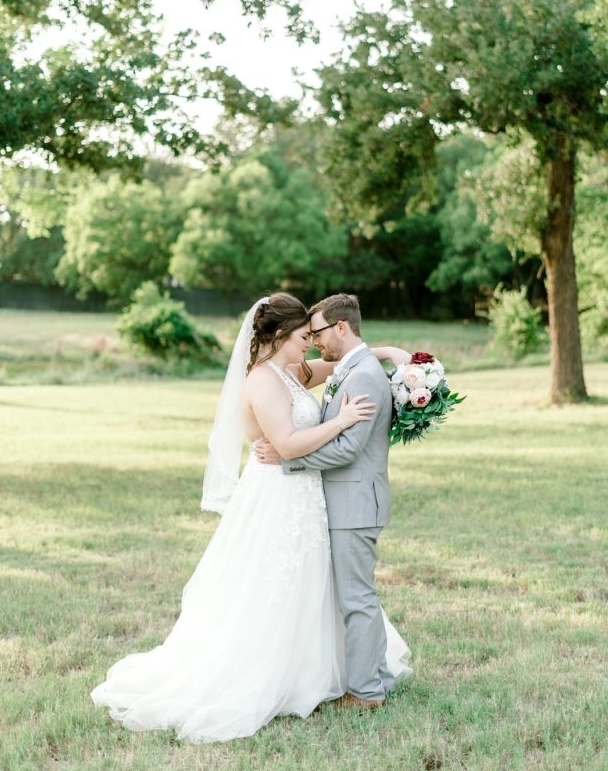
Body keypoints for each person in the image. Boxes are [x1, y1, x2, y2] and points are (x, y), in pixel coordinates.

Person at [91, 293, 410, 743]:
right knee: (271, 587)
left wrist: (387, 353)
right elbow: (288, 444)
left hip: (307, 499)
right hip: (277, 496)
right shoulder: (261, 381)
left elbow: (343, 365)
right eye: (304, 337)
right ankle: (271, 675)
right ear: (281, 337)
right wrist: (341, 422)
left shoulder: (293, 371)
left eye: (315, 336)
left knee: (313, 586)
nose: (311, 346)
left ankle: (320, 672)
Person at [256, 293, 410, 709]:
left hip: (355, 502)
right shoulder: (352, 367)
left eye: (318, 332)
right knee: (359, 596)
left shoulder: (361, 376)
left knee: (356, 599)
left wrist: (288, 461)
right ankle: (376, 676)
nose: (313, 341)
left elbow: (347, 450)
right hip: (347, 501)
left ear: (341, 328)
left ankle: (364, 693)